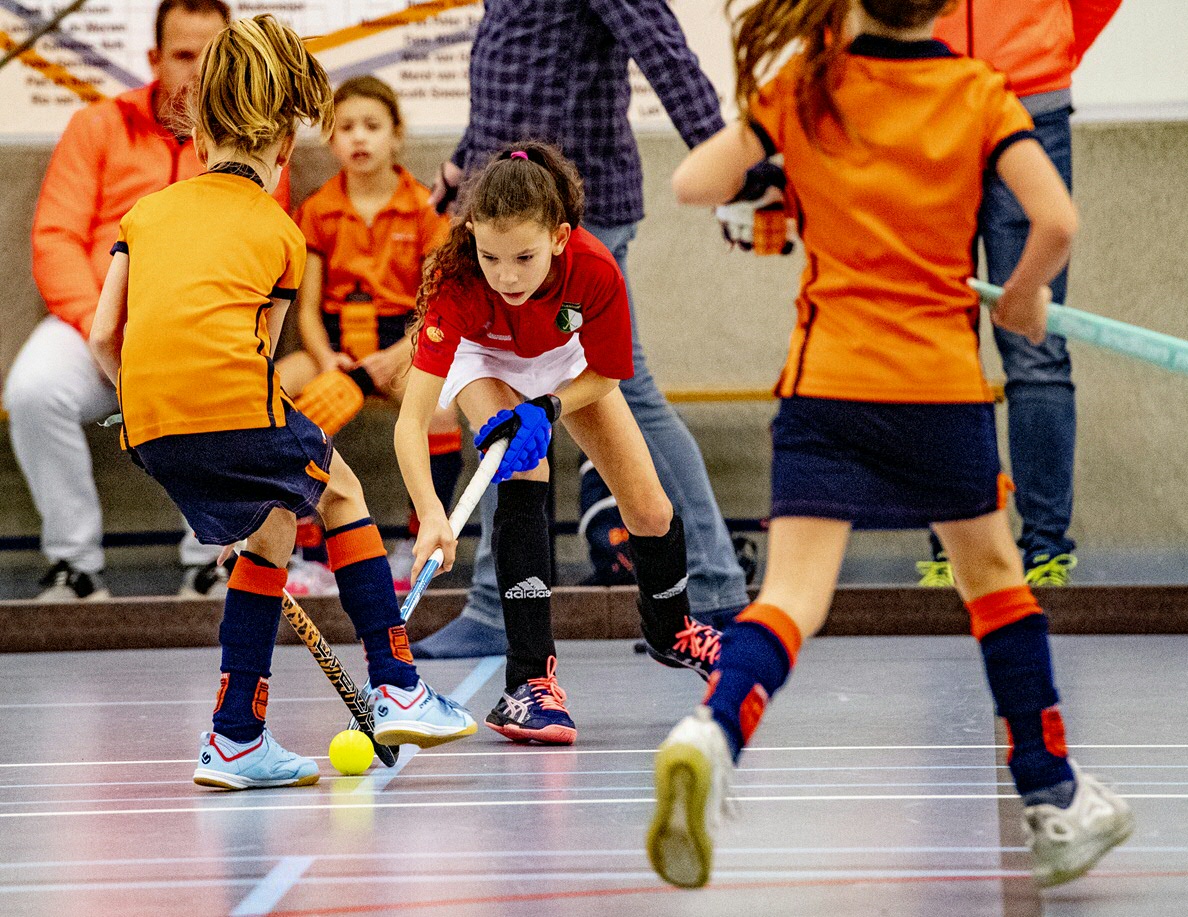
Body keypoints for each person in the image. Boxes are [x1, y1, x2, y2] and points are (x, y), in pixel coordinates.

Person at [645, 0, 1132, 890]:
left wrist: (775, 177)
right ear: (948, 6)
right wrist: (1023, 296)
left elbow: (692, 185)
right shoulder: (980, 94)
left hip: (825, 383)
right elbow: (1054, 220)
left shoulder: (805, 90)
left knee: (791, 595)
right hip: (937, 387)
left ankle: (710, 733)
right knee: (993, 583)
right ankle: (1052, 796)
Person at [86, 15, 477, 790]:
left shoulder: (145, 214)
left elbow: (105, 334)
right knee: (341, 490)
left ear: (197, 137)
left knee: (269, 533)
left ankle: (236, 737)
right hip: (235, 405)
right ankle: (398, 682)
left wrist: (146, 412)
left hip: (148, 420)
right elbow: (256, 354)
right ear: (282, 148)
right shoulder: (281, 229)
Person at [414, 0, 750, 659]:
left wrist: (729, 167)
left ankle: (710, 585)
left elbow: (665, 53)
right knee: (513, 405)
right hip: (516, 217)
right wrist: (462, 164)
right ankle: (499, 604)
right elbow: (510, 79)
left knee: (626, 395)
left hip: (569, 222)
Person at [395, 142, 723, 745]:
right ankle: (528, 683)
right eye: (492, 256)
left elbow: (607, 373)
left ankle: (672, 630)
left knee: (650, 509)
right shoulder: (457, 281)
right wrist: (431, 514)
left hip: (567, 367)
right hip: (486, 359)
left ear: (559, 237)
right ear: (471, 237)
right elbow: (410, 423)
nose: (508, 275)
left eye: (524, 256)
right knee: (525, 469)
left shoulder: (596, 269)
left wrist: (546, 407)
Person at [4, 0, 291, 601]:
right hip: (94, 324)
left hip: (202, 334)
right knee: (33, 391)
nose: (196, 74)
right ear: (154, 59)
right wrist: (98, 325)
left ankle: (213, 561)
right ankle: (74, 564)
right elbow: (56, 239)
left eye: (211, 58)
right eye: (184, 56)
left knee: (230, 393)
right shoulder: (97, 126)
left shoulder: (256, 145)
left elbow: (260, 264)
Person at [917, 0, 1122, 588]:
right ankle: (954, 544)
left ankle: (1045, 548)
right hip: (927, 102)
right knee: (937, 346)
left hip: (1031, 102)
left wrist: (1044, 47)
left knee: (1036, 342)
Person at [275, 75, 461, 595]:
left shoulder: (426, 207)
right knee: (274, 395)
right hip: (331, 345)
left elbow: (435, 309)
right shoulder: (317, 209)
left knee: (442, 408)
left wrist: (396, 356)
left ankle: (416, 541)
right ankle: (308, 550)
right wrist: (327, 358)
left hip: (400, 343)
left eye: (372, 126)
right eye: (346, 127)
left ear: (396, 135)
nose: (359, 138)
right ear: (330, 140)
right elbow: (305, 311)